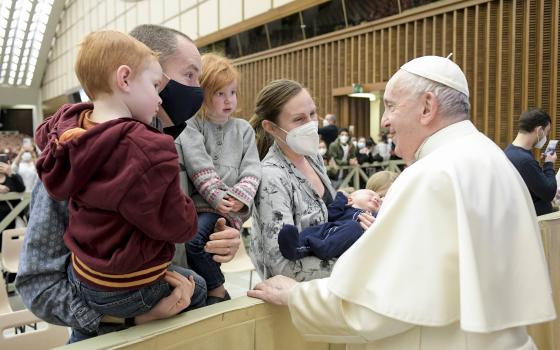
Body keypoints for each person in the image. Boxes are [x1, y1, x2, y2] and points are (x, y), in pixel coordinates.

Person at [248, 56, 555, 349]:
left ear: (427, 107)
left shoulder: (432, 175)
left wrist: (299, 297)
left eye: (391, 106)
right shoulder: (489, 156)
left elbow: (377, 306)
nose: (384, 121)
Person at [16, 24, 241, 343]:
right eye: (190, 76)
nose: (197, 91)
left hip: (179, 320)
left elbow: (197, 213)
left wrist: (223, 233)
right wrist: (126, 317)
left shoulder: (174, 138)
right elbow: (37, 284)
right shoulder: (72, 157)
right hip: (110, 336)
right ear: (136, 75)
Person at [248, 79, 374, 281]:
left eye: (313, 114)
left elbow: (327, 217)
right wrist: (357, 266)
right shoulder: (271, 177)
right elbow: (281, 264)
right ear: (270, 127)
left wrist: (352, 217)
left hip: (331, 289)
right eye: (299, 119)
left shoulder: (312, 156)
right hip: (295, 299)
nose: (310, 124)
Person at [181, 53, 261, 304]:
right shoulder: (192, 125)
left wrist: (239, 198)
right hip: (205, 205)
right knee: (196, 244)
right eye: (219, 94)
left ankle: (216, 291)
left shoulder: (243, 129)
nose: (229, 100)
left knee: (196, 243)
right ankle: (217, 290)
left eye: (233, 92)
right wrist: (217, 195)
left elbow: (252, 168)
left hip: (229, 208)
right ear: (203, 94)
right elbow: (198, 164)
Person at [278, 189, 381, 260]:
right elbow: (331, 215)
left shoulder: (375, 217)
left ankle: (321, 248)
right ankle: (295, 247)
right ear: (350, 199)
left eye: (380, 201)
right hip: (329, 232)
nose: (377, 198)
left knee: (354, 227)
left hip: (348, 245)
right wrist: (341, 199)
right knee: (311, 232)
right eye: (371, 194)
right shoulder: (345, 208)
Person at [505, 108, 557, 216]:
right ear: (539, 131)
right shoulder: (525, 161)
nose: (546, 137)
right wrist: (549, 164)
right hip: (535, 220)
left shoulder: (509, 151)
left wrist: (538, 166)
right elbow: (549, 193)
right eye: (546, 132)